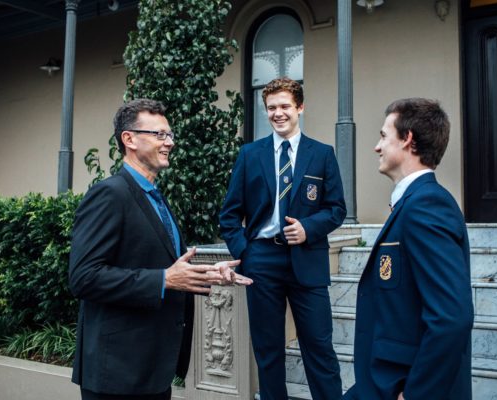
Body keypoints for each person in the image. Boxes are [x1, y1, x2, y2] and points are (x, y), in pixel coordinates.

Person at [68, 98, 251, 400]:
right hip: (117, 372)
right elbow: (84, 276)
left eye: (170, 135)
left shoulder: (156, 197)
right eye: (159, 135)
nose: (169, 143)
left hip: (154, 368)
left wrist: (205, 273)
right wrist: (162, 280)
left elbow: (164, 265)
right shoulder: (109, 194)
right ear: (129, 139)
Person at [219, 77, 346, 400]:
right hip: (261, 260)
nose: (278, 113)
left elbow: (336, 209)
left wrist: (308, 228)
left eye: (285, 106)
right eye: (272, 107)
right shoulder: (250, 155)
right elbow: (229, 215)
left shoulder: (322, 154)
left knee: (319, 347)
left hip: (308, 259)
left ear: (300, 107)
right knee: (268, 350)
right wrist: (245, 254)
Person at [343, 98, 474, 399]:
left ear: (408, 140)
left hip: (403, 384)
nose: (377, 147)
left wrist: (415, 394)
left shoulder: (427, 205)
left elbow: (451, 317)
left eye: (384, 136)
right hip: (381, 379)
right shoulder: (413, 203)